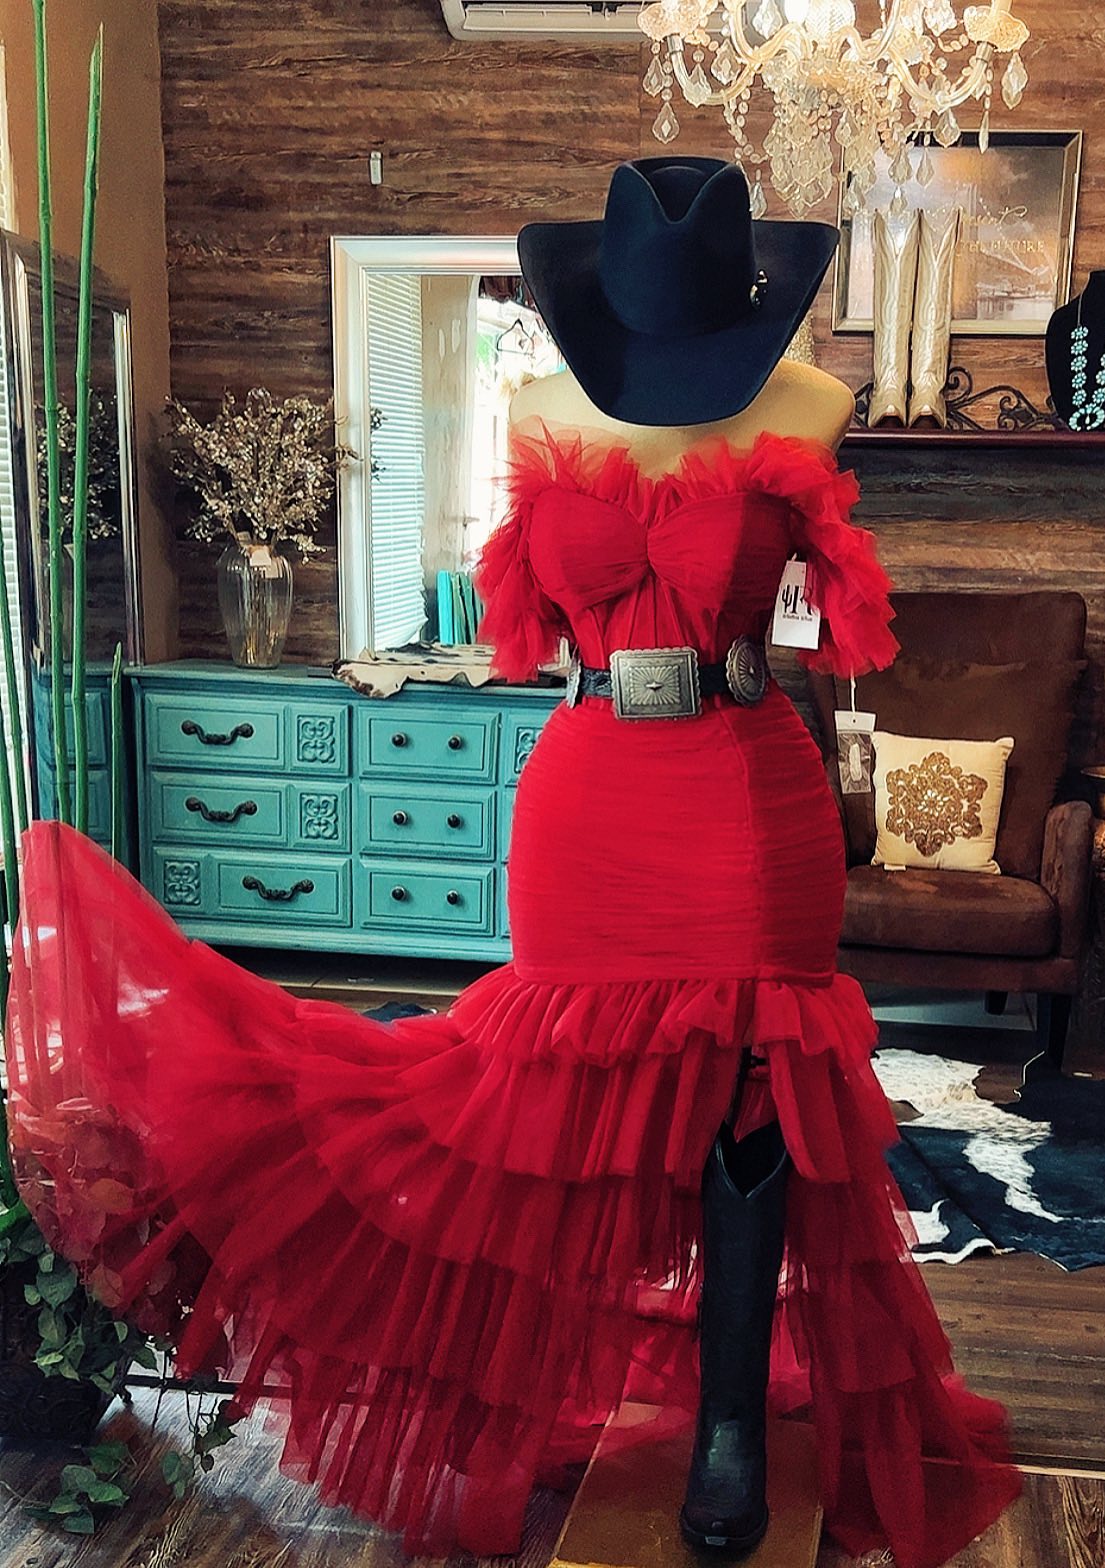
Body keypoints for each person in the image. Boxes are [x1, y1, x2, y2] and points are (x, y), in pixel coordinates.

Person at [4, 156, 1022, 1568]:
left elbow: (814, 617)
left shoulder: (807, 403)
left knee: (754, 1086)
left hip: (746, 795)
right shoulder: (542, 404)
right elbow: (530, 626)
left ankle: (731, 1424)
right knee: (543, 1102)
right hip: (590, 792)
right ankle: (540, 1387)